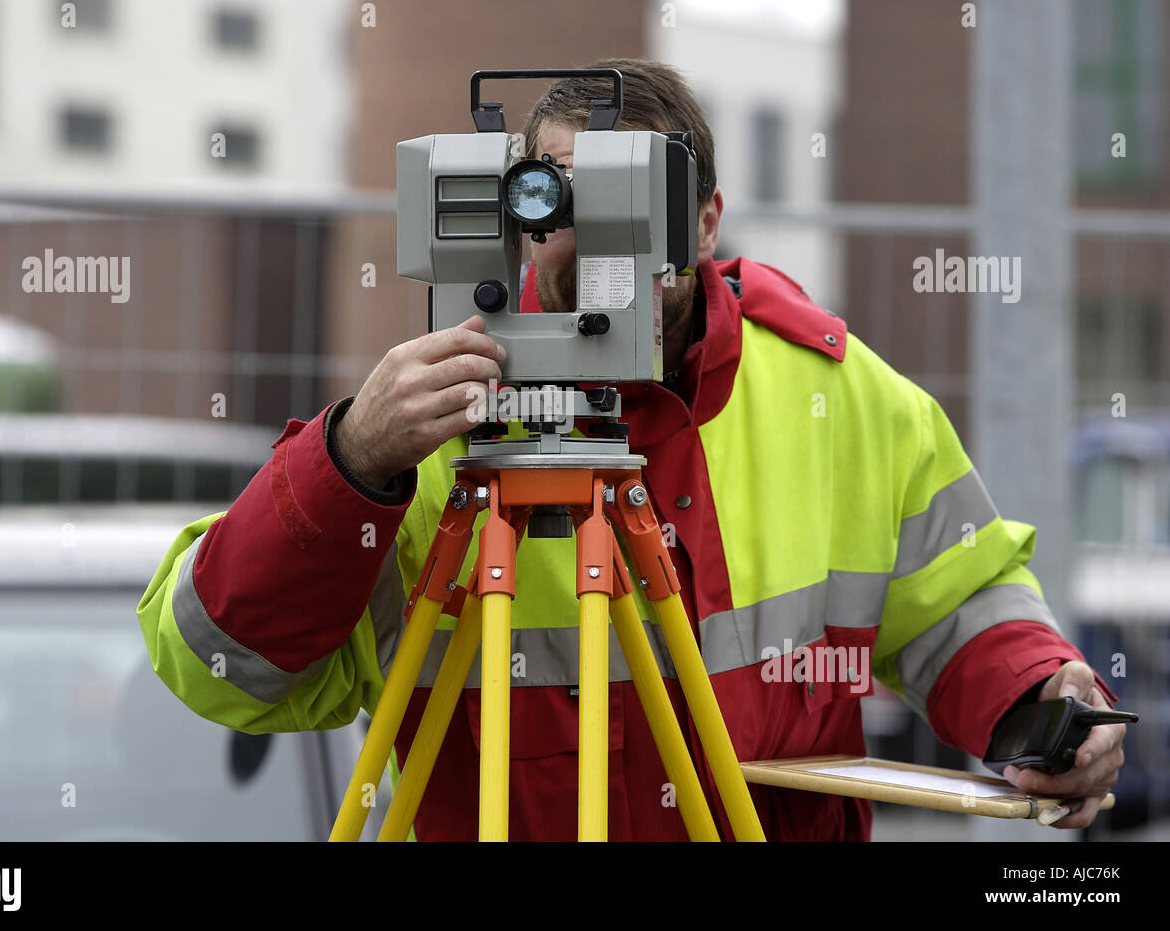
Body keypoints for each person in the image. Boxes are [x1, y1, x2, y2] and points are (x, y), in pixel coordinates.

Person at [137, 57, 1124, 840]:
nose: (604, 240)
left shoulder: (834, 395)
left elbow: (960, 602)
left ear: (705, 219)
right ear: (522, 217)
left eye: (635, 198)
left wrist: (1042, 694)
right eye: (568, 198)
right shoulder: (432, 422)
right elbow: (219, 661)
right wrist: (350, 463)